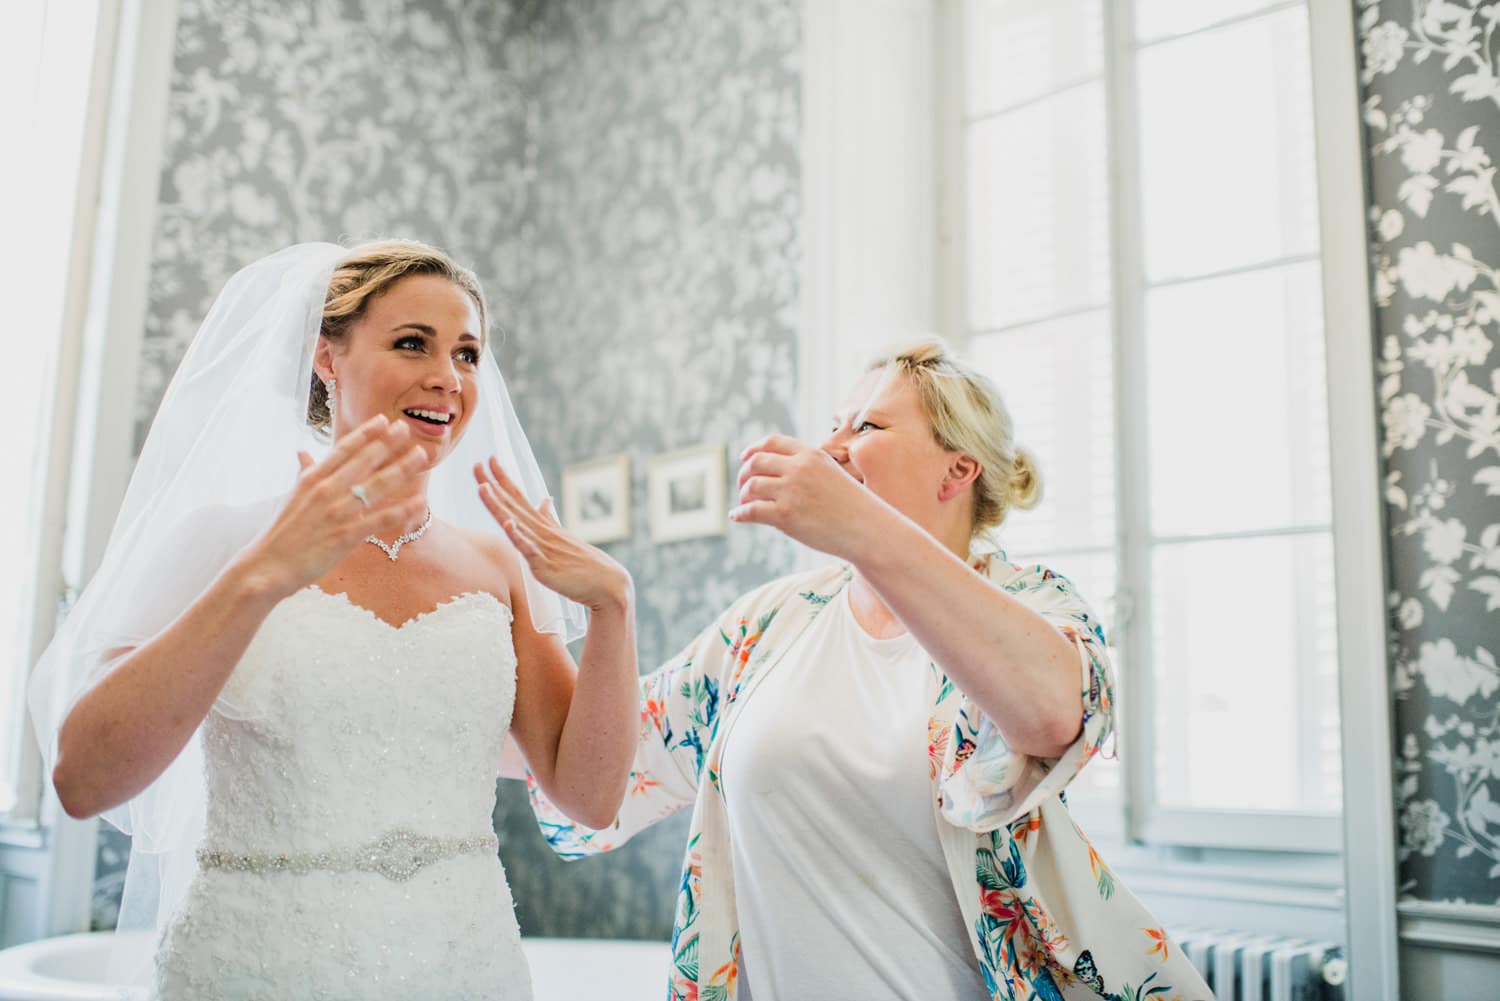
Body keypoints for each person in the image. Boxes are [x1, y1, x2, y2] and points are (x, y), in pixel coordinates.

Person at [30, 240, 640, 1000]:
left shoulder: (497, 566)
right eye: (412, 342)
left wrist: (614, 608)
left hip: (466, 962)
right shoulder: (224, 540)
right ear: (327, 357)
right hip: (257, 965)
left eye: (468, 353)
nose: (447, 379)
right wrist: (264, 574)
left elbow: (592, 796)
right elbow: (83, 778)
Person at [527, 341, 1213, 1001]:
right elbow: (597, 762)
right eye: (831, 426)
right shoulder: (770, 624)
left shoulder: (1028, 603)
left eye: (867, 425)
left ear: (958, 470)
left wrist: (862, 527)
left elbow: (1058, 715)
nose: (829, 447)